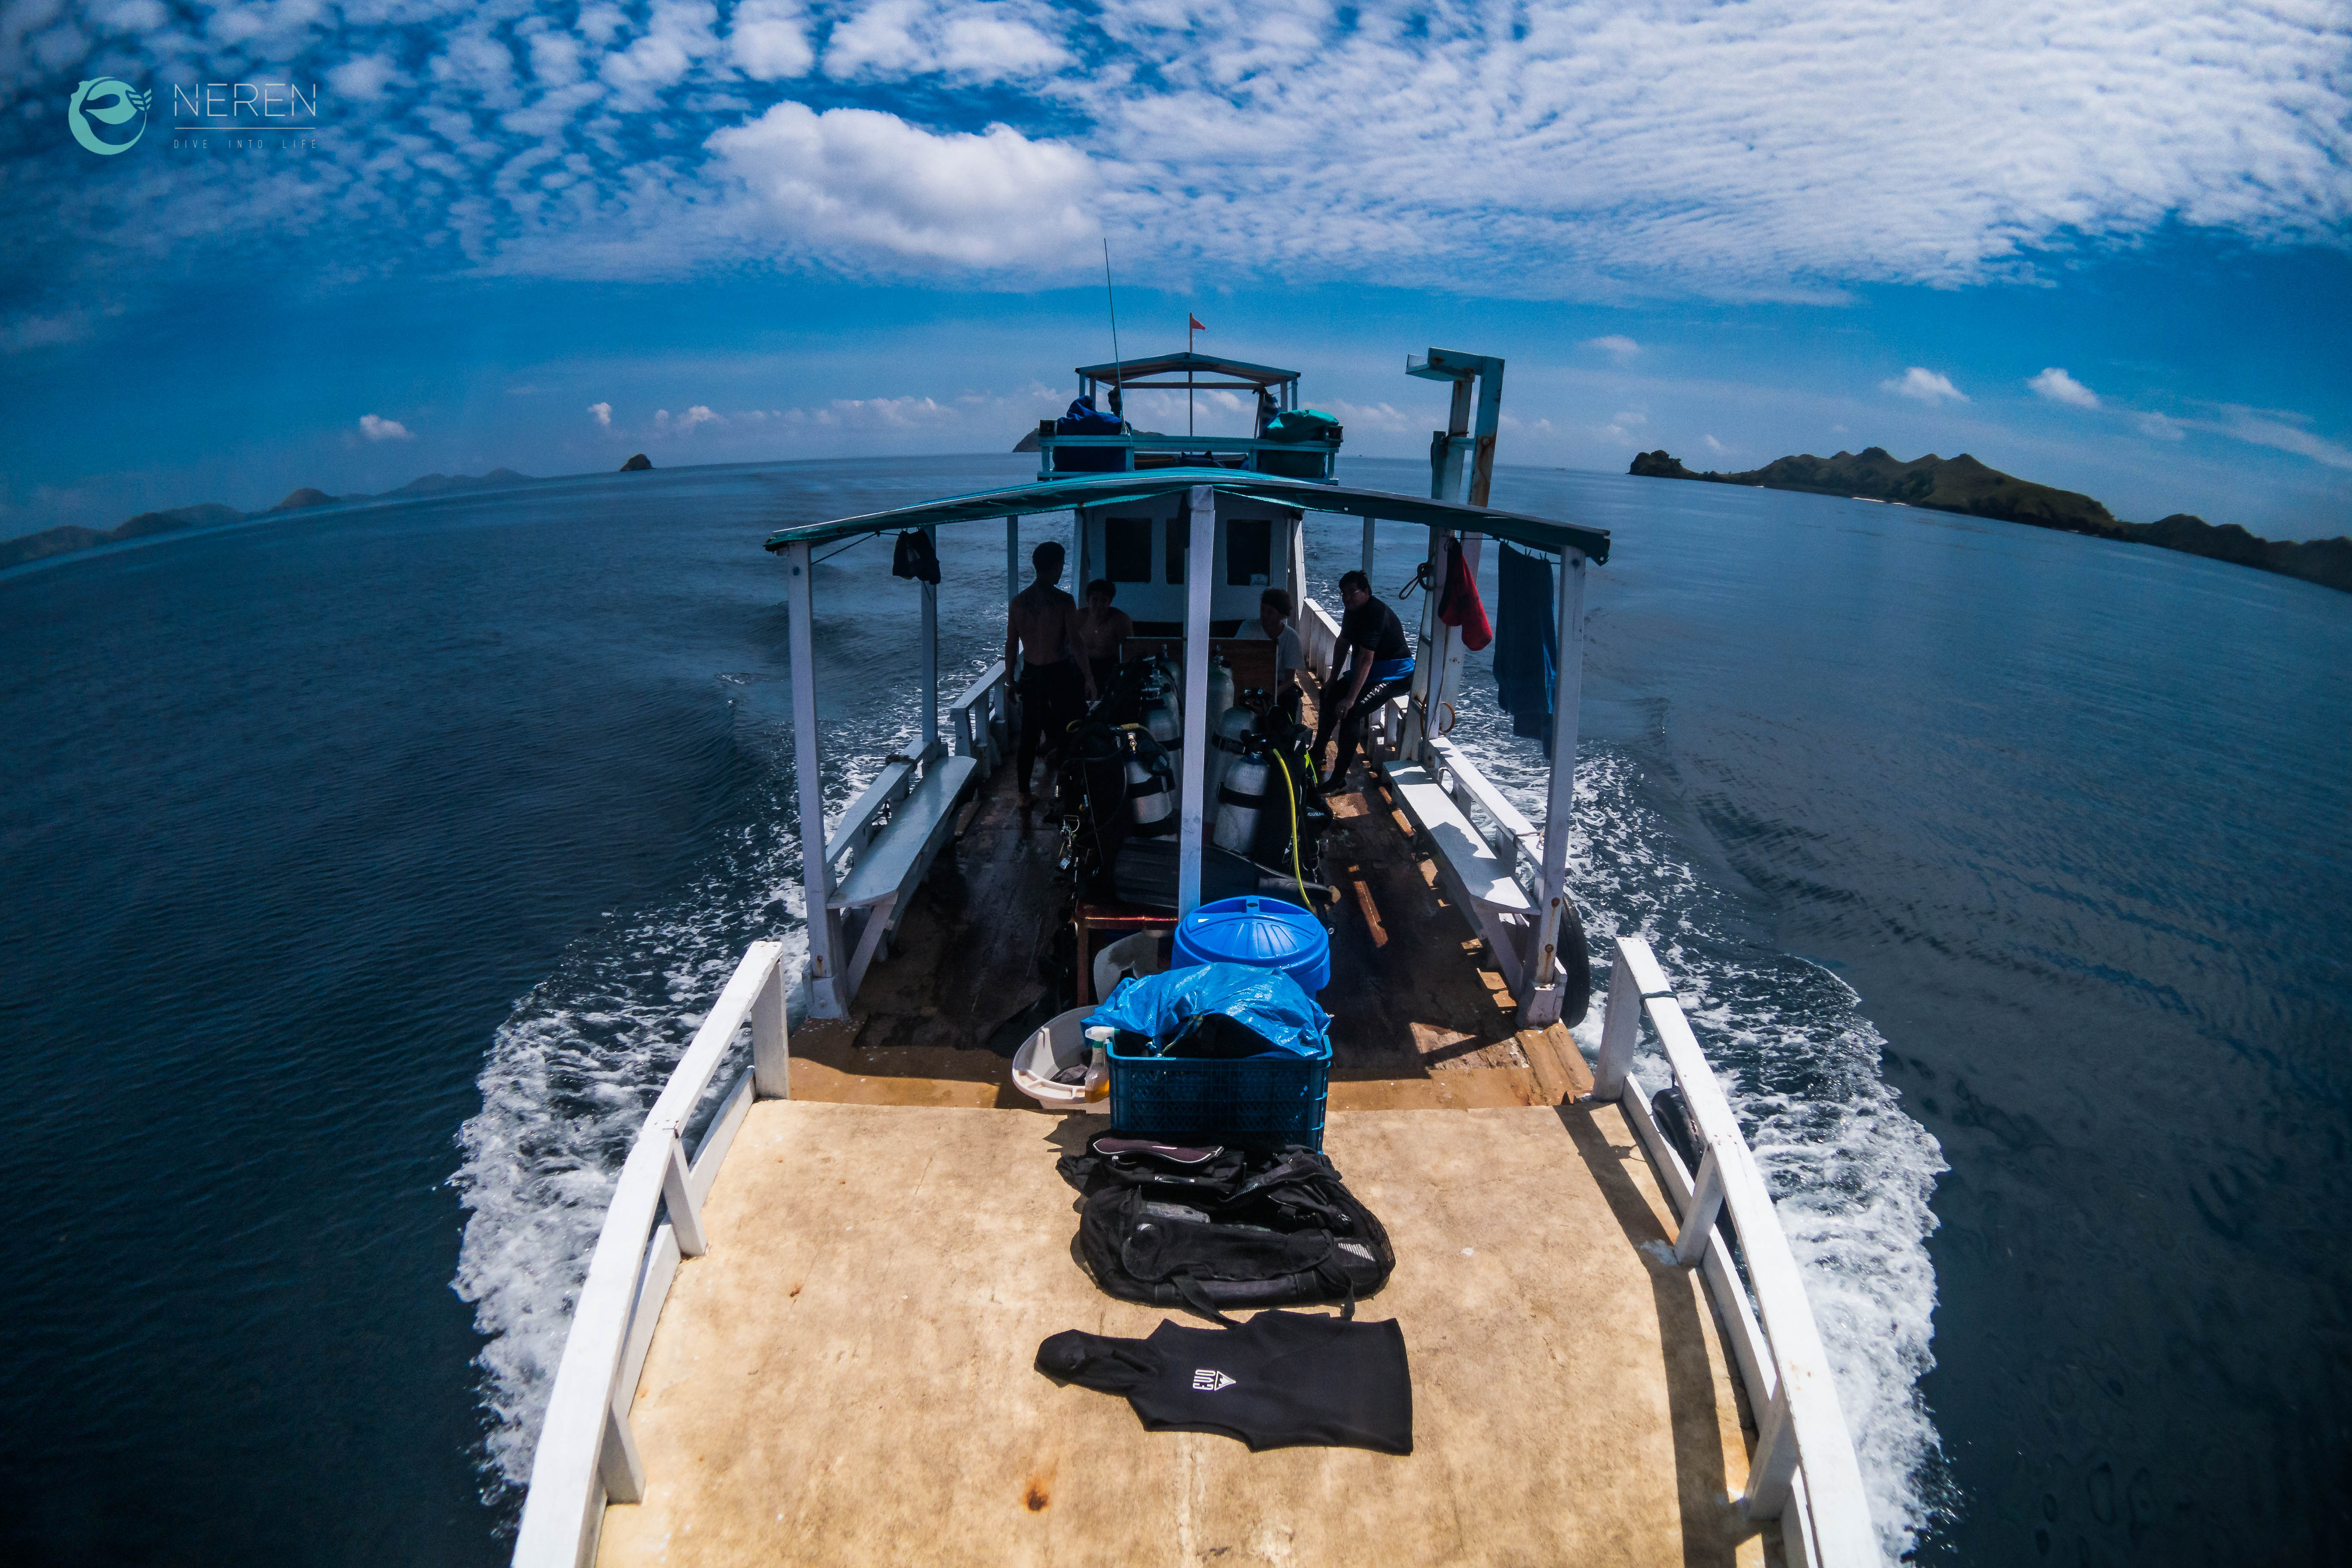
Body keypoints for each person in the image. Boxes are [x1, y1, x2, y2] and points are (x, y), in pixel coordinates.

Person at [1312, 570, 1415, 792]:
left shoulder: (1375, 613)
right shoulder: (1352, 611)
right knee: (1328, 695)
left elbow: (1367, 659)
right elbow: (1342, 644)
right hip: (1371, 672)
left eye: (1352, 592)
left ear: (1366, 592)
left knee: (1352, 711)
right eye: (1343, 594)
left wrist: (1350, 699)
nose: (1347, 598)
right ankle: (1318, 752)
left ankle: (1338, 779)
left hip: (1395, 673)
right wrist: (1332, 681)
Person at [1007, 541, 1084, 811]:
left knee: (1029, 735)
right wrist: (1091, 680)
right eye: (1061, 565)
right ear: (1055, 567)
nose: (1062, 570)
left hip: (1031, 674)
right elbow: (1076, 643)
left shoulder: (1018, 603)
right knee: (1068, 731)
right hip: (1059, 673)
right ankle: (1065, 791)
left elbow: (1011, 644)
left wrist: (1009, 680)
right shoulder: (1064, 601)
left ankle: (1024, 794)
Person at [1074, 579, 1133, 702]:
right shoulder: (1079, 617)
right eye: (1095, 600)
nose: (1099, 605)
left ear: (1110, 602)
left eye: (1104, 600)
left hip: (1109, 667)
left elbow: (1129, 653)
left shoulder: (1121, 620)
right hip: (1083, 665)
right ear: (1088, 600)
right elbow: (1068, 643)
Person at [1259, 587, 1305, 724]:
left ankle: (1286, 739)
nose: (1264, 615)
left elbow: (1290, 679)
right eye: (1262, 610)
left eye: (1270, 612)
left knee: (1291, 698)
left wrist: (1274, 694)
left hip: (1278, 684)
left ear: (1282, 615)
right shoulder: (1248, 629)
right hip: (1251, 680)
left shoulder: (1292, 638)